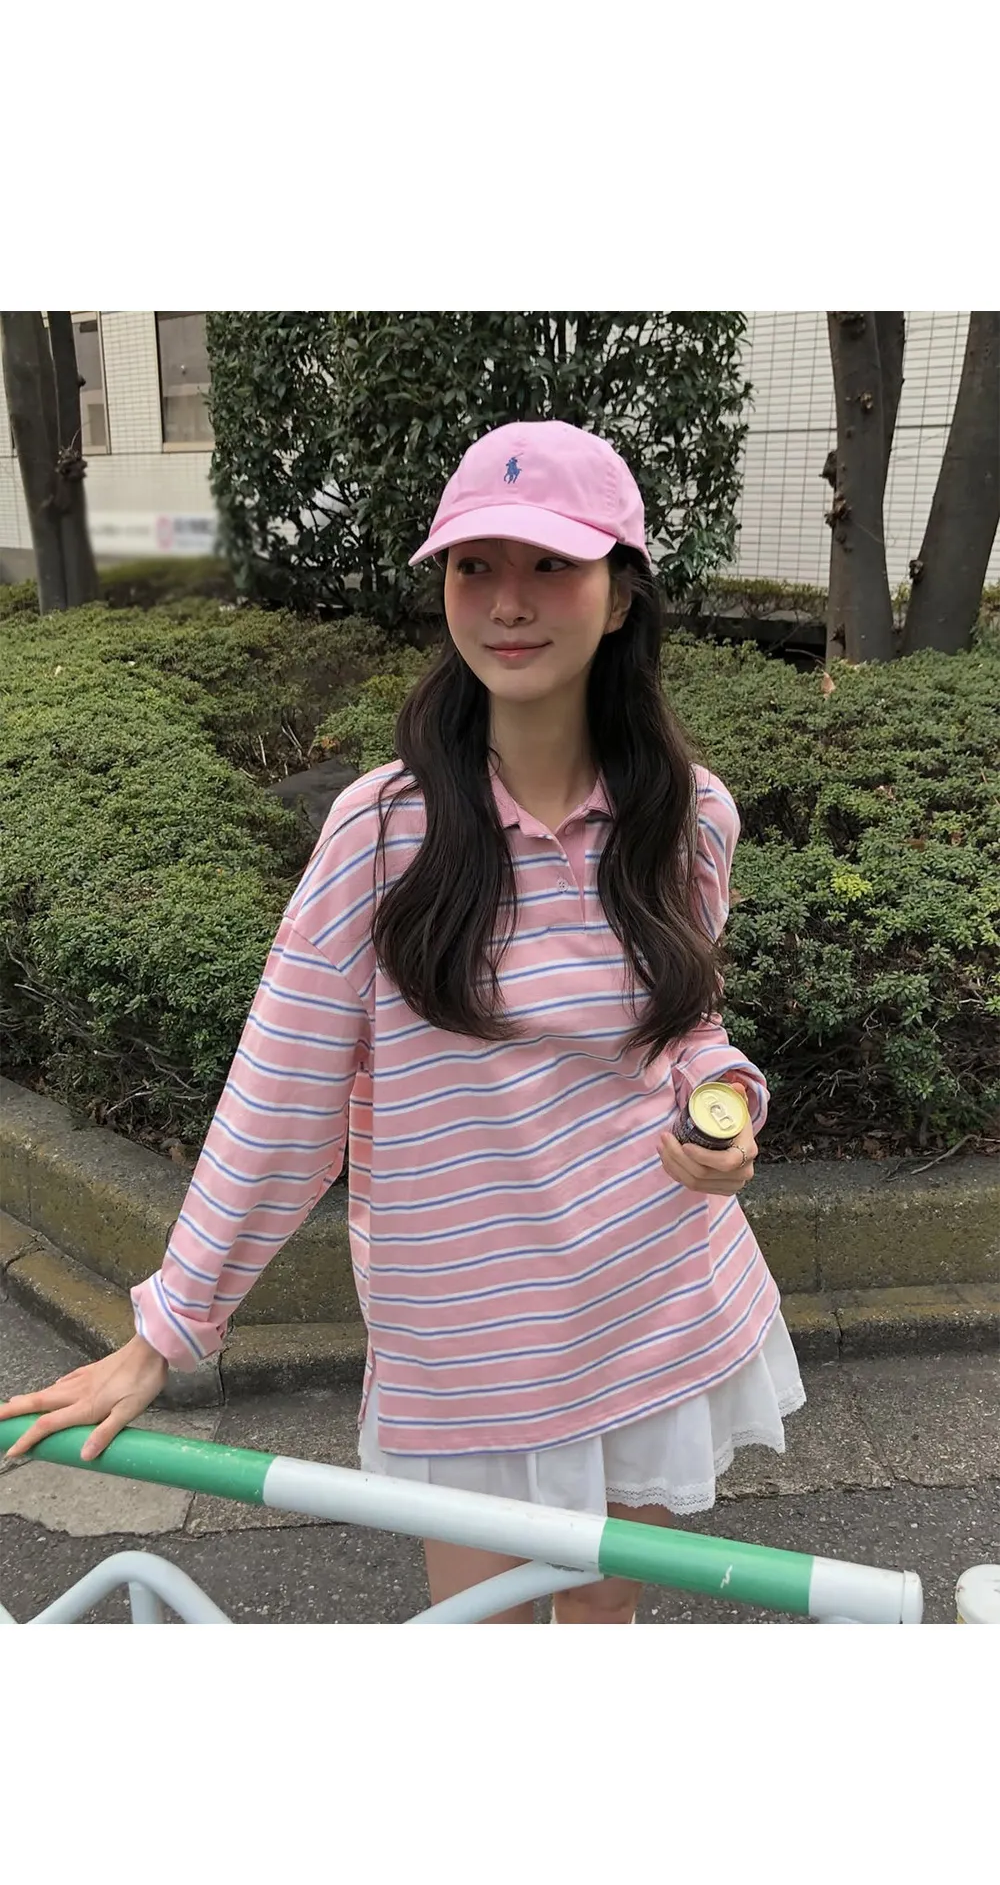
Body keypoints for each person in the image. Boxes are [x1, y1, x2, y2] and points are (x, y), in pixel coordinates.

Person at [0, 420, 805, 1625]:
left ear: (622, 592)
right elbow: (281, 1095)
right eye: (474, 566)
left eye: (550, 564)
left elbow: (685, 1024)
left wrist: (724, 1101)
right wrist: (165, 1331)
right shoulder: (382, 834)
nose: (507, 602)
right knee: (476, 1656)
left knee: (602, 1639)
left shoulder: (688, 814)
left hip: (656, 1303)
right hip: (465, 1347)